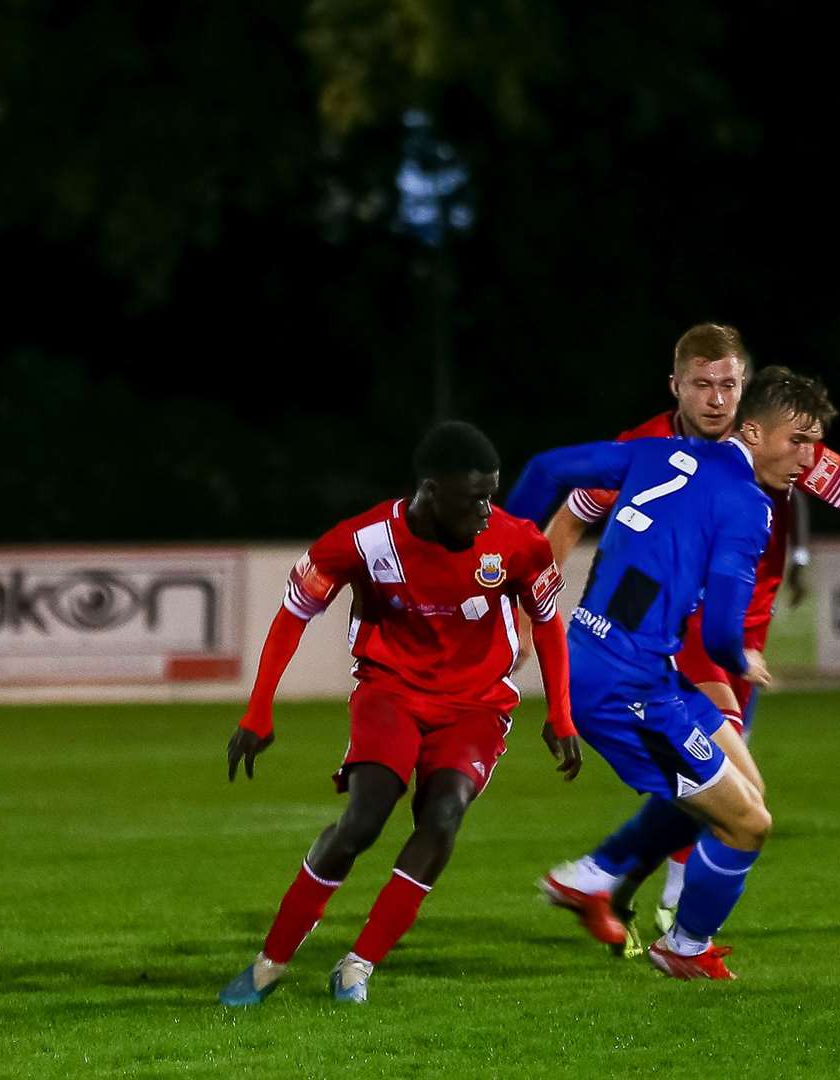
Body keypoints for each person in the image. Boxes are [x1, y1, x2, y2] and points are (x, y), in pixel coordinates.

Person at [527, 326, 840, 940]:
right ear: (677, 386)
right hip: (680, 641)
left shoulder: (779, 445)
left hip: (741, 637)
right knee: (732, 789)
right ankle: (651, 902)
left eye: (729, 385)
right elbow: (569, 521)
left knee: (721, 783)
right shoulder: (645, 446)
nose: (717, 399)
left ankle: (608, 880)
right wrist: (524, 613)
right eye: (703, 385)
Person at [218, 421, 581, 1006]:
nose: (488, 511)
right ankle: (270, 963)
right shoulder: (360, 542)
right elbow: (292, 615)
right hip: (390, 692)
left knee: (442, 818)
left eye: (493, 495)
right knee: (362, 820)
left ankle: (357, 966)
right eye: (476, 498)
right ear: (432, 490)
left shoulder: (517, 543)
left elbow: (548, 621)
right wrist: (258, 710)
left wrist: (560, 713)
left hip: (476, 705)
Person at [507, 368, 837, 980]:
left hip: (631, 668)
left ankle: (601, 880)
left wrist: (495, 551)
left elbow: (548, 470)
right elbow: (719, 634)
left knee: (748, 791)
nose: (808, 459)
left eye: (814, 443)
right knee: (748, 823)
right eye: (797, 441)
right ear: (755, 431)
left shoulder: (661, 453)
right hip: (623, 689)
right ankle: (683, 946)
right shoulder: (747, 506)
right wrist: (743, 661)